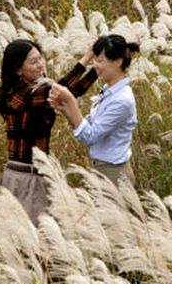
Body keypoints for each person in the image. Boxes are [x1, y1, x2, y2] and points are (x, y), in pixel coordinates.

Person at [0, 38, 97, 221]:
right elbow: (63, 91)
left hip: (34, 172)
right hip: (25, 176)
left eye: (40, 58)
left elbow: (69, 92)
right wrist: (88, 58)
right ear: (18, 69)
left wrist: (97, 69)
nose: (40, 64)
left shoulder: (32, 90)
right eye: (33, 61)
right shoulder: (19, 95)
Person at [49, 33, 140, 184]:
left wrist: (71, 102)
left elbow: (90, 136)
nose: (95, 65)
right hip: (103, 168)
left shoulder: (122, 100)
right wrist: (66, 109)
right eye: (95, 60)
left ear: (118, 62)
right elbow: (87, 125)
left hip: (113, 173)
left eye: (100, 60)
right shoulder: (109, 91)